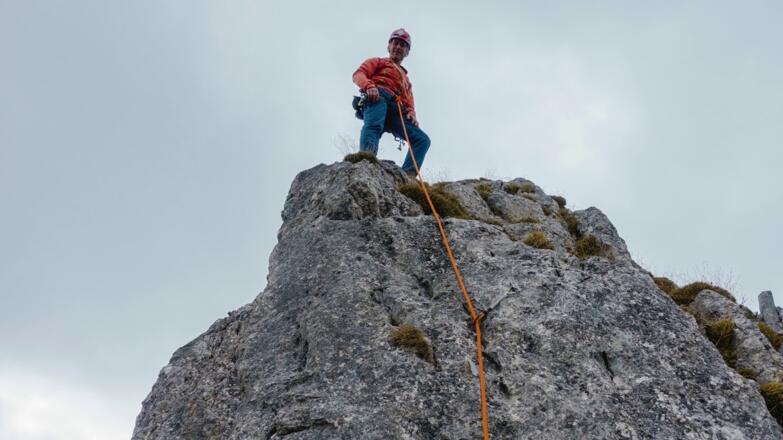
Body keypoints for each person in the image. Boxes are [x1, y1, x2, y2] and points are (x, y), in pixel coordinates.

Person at [352, 28, 431, 177]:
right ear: (389, 46)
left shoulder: (406, 80)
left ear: (407, 52)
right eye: (395, 43)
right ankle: (366, 161)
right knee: (374, 126)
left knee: (422, 140)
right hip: (378, 97)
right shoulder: (378, 62)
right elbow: (359, 74)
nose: (398, 47)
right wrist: (369, 87)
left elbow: (409, 100)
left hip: (397, 110)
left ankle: (407, 176)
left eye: (403, 45)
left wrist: (411, 113)